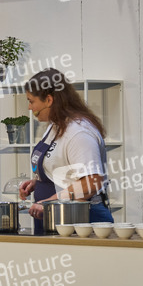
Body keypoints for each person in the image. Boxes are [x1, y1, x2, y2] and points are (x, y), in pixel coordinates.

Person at [18, 68, 113, 233]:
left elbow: (91, 183)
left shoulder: (79, 132)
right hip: (56, 219)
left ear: (49, 100)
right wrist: (39, 182)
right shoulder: (55, 126)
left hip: (80, 220)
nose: (29, 107)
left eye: (31, 101)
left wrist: (50, 202)